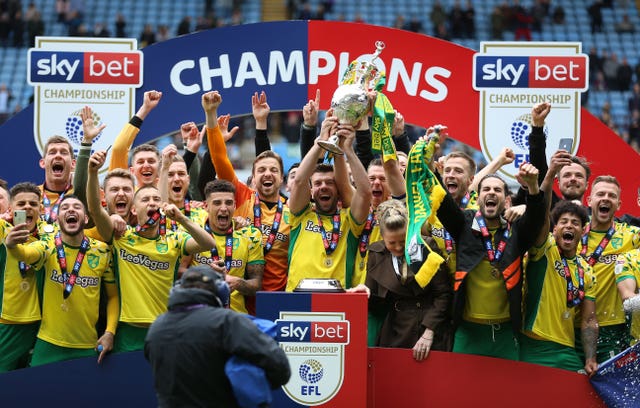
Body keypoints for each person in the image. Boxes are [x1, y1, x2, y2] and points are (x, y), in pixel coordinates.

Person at [87, 149, 216, 352]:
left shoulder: (174, 239)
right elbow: (95, 210)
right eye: (145, 200)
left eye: (156, 201)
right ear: (133, 209)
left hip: (164, 330)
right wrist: (93, 173)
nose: (152, 203)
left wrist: (182, 219)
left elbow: (208, 243)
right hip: (128, 331)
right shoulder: (122, 238)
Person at [436, 161, 545, 360]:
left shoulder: (517, 229)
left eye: (497, 190)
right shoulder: (464, 223)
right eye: (486, 189)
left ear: (506, 200)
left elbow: (538, 219)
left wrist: (533, 190)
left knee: (506, 392)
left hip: (505, 334)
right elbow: (442, 203)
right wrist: (431, 167)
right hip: (467, 333)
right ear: (477, 199)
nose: (491, 192)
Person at [144, 265, 290, 408]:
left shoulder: (157, 326)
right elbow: (280, 367)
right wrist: (251, 384)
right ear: (221, 291)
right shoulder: (227, 321)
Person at [5, 195, 117, 366]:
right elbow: (27, 254)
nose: (71, 210)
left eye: (77, 207)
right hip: (47, 345)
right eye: (64, 208)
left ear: (86, 219)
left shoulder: (102, 251)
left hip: (87, 346)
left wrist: (110, 332)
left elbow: (113, 297)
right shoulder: (48, 244)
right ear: (57, 220)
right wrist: (13, 246)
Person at [204, 91, 291, 297]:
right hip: (238, 297)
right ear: (252, 177)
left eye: (273, 171)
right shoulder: (242, 196)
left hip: (278, 299)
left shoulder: (292, 211)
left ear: (281, 179)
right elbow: (219, 157)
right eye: (261, 170)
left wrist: (261, 123)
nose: (267, 174)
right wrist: (210, 115)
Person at [521, 150, 599, 375]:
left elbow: (589, 319)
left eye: (575, 223)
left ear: (583, 231)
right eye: (563, 222)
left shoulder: (586, 270)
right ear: (554, 229)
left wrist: (590, 357)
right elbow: (540, 215)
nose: (569, 226)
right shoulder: (545, 249)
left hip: (566, 351)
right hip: (532, 346)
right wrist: (550, 173)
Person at [286, 111, 372, 291]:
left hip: (337, 301)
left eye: (330, 183)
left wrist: (347, 149)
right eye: (317, 183)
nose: (323, 186)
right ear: (311, 191)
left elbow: (364, 191)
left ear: (338, 190)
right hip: (297, 300)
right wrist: (320, 141)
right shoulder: (300, 215)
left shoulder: (349, 220)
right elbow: (300, 180)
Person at [366, 199, 452, 360]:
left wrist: (429, 332)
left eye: (403, 241)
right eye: (392, 243)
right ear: (383, 237)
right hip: (395, 330)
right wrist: (364, 293)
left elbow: (444, 295)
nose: (398, 247)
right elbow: (374, 303)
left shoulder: (427, 247)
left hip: (429, 327)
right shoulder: (376, 254)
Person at [577, 175, 640, 363]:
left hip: (612, 328)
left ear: (619, 204)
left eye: (612, 196)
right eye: (600, 194)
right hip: (569, 325)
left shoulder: (632, 235)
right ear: (589, 200)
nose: (605, 198)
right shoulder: (572, 232)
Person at [190, 179, 265, 314]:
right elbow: (178, 271)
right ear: (206, 206)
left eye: (229, 203)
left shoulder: (251, 235)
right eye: (217, 203)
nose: (224, 208)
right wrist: (207, 276)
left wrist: (237, 283)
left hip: (235, 318)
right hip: (199, 316)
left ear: (235, 206)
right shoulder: (194, 230)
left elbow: (256, 285)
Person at [0, 182, 47, 371]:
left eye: (33, 204)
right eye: (21, 204)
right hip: (7, 323)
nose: (27, 207)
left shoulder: (49, 234)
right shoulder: (3, 229)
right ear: (11, 209)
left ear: (40, 208)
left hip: (41, 326)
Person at [39, 135, 76, 225]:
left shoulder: (83, 195)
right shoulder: (31, 196)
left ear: (73, 164)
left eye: (63, 152)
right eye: (52, 152)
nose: (58, 156)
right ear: (43, 163)